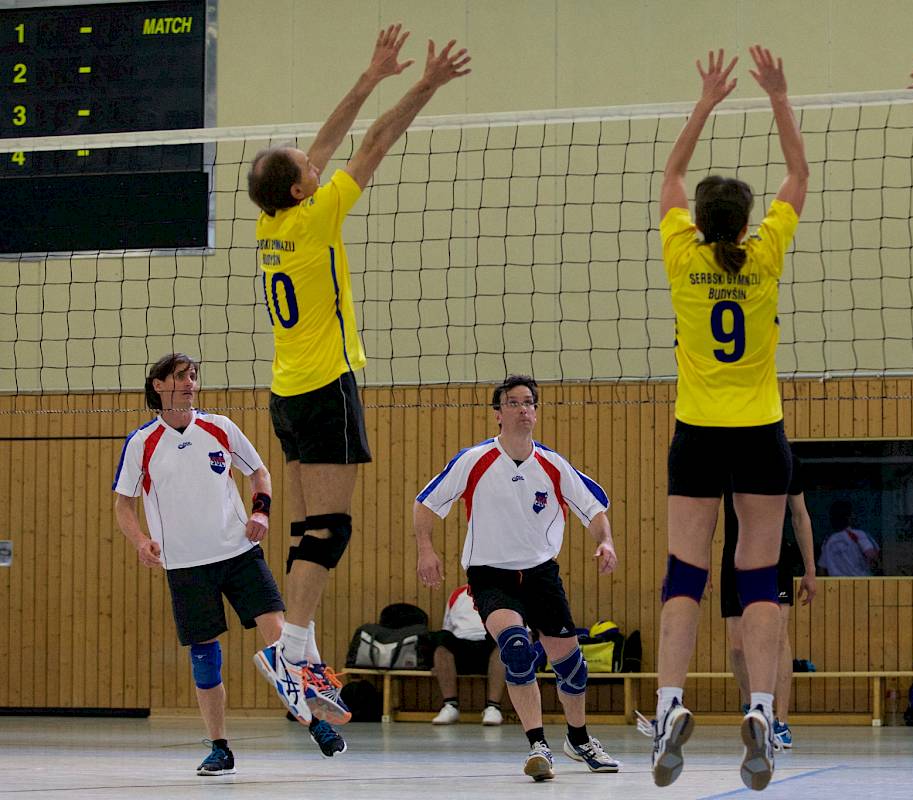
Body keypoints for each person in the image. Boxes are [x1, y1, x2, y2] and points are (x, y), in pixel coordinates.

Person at [245, 24, 470, 725]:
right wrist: (425, 84)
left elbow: (324, 144)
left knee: (309, 530)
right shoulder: (316, 219)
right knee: (331, 530)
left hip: (287, 390)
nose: (317, 163)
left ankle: (297, 650)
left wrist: (371, 76)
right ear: (299, 187)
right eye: (307, 167)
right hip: (324, 387)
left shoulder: (273, 223)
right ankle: (292, 649)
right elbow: (372, 142)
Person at [644, 45, 809, 792]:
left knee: (686, 571)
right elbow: (798, 174)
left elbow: (670, 177)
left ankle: (669, 706)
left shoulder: (683, 258)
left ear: (701, 222)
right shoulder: (765, 255)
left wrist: (706, 101)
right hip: (760, 434)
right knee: (758, 578)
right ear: (745, 225)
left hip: (698, 433)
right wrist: (777, 95)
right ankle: (764, 709)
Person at [112, 353, 346, 776]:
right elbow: (123, 505)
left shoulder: (220, 427)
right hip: (185, 565)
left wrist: (261, 513)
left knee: (282, 638)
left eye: (193, 376)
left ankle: (318, 724)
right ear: (158, 385)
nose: (190, 382)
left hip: (239, 554)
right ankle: (220, 748)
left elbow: (260, 474)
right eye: (180, 376)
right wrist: (141, 541)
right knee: (205, 659)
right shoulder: (141, 442)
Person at [414, 374, 620, 782]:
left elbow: (594, 509)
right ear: (498, 413)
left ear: (536, 412)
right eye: (514, 403)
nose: (523, 409)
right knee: (516, 649)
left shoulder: (553, 464)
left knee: (572, 667)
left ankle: (579, 740)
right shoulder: (474, 460)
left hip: (541, 574)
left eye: (529, 403)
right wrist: (426, 549)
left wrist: (606, 541)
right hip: (491, 575)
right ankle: (538, 745)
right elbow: (425, 503)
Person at [721, 451, 818, 749]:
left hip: (774, 558)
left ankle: (781, 721)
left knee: (777, 639)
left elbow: (799, 515)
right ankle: (754, 711)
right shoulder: (726, 459)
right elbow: (706, 512)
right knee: (738, 646)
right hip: (735, 559)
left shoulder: (786, 459)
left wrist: (810, 568)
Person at [429, 583, 506, 726]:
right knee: (441, 638)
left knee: (504, 641)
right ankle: (450, 705)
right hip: (462, 647)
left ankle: (493, 707)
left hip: (490, 645)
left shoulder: (507, 592)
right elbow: (447, 628)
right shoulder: (458, 594)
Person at [816, 500, 880, 577]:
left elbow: (821, 569)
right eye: (852, 514)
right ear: (849, 517)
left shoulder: (828, 542)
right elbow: (872, 556)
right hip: (860, 581)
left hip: (837, 583)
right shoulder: (858, 535)